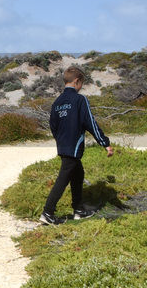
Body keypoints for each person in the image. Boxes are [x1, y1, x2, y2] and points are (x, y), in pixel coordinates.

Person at [41, 65, 113, 224]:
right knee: (63, 178)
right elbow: (90, 123)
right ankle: (48, 212)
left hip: (63, 145)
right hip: (73, 146)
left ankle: (78, 209)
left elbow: (53, 125)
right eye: (81, 84)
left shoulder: (57, 102)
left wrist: (60, 141)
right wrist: (104, 143)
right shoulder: (80, 99)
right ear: (77, 81)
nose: (81, 87)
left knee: (78, 173)